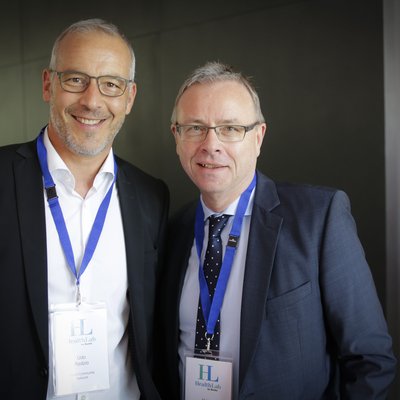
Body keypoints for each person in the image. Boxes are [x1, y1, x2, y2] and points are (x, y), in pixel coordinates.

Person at [156, 61, 396, 399]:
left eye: (230, 128)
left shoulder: (318, 219)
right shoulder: (172, 232)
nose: (211, 144)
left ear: (258, 137)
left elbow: (370, 360)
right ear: (177, 137)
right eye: (195, 128)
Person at [0, 19, 168, 400]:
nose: (92, 100)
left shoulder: (151, 197)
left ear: (129, 98)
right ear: (48, 84)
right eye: (76, 79)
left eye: (111, 84)